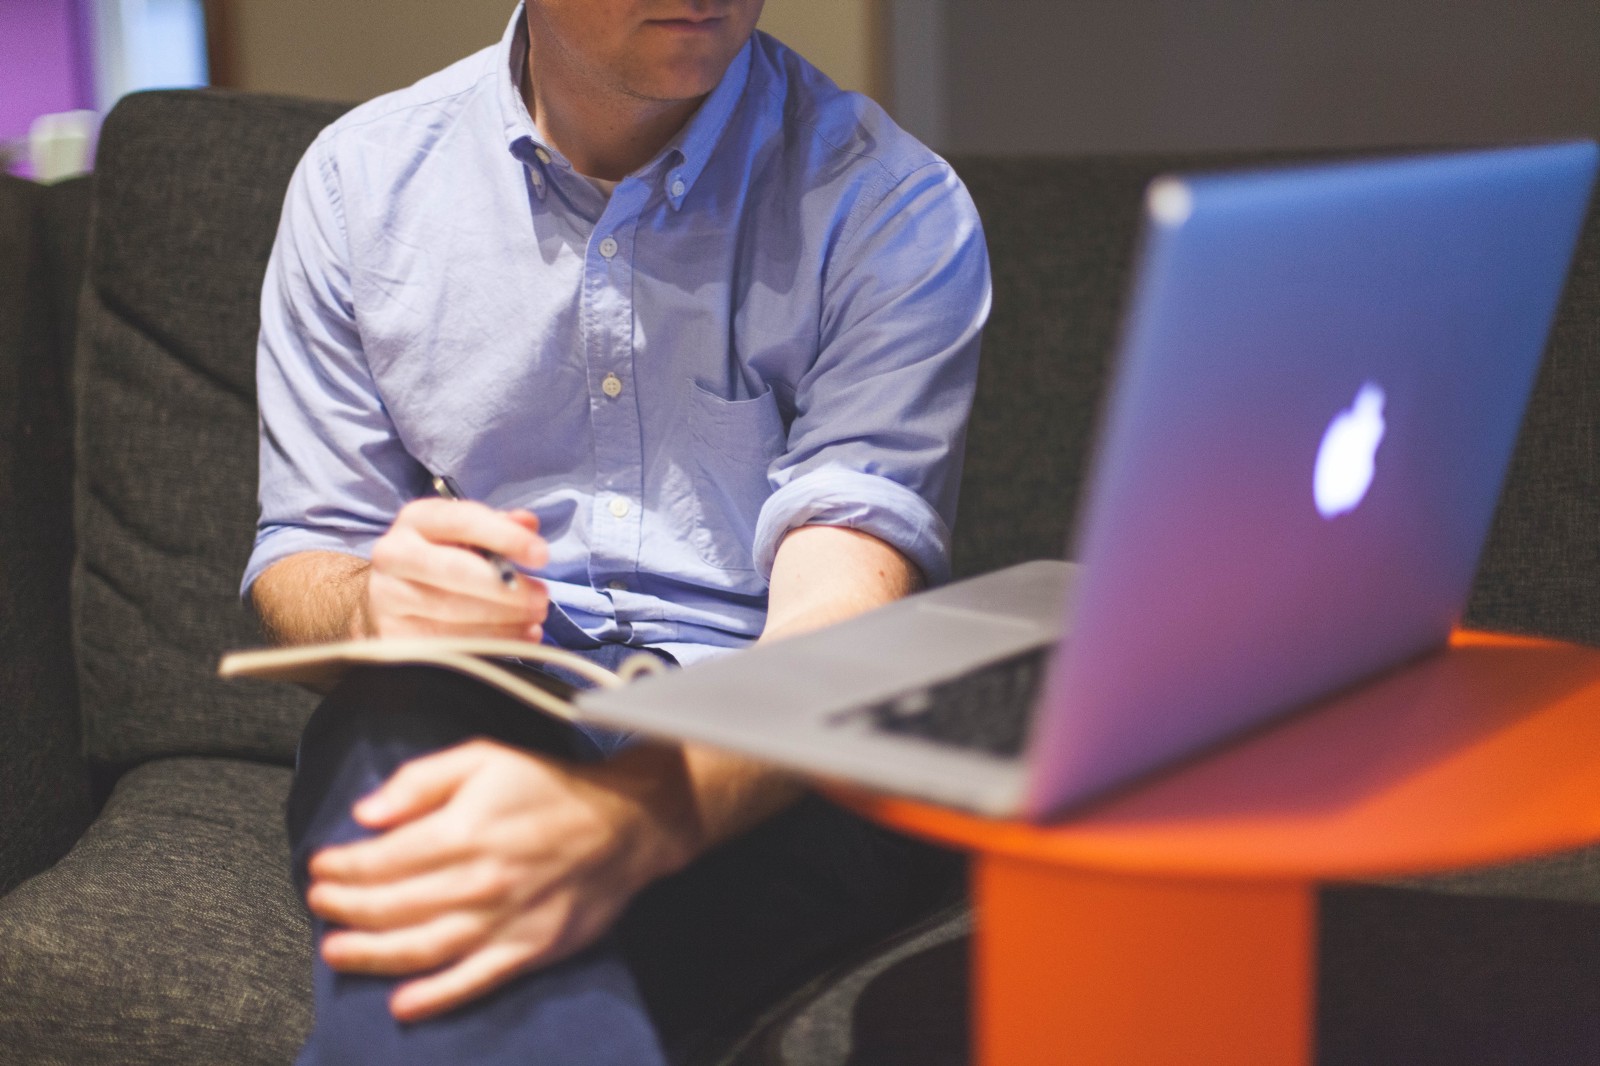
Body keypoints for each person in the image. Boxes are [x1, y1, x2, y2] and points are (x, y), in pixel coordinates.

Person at [243, 1, 990, 1062]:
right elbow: (306, 549)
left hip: (769, 729)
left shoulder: (890, 207)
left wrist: (628, 819)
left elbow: (835, 627)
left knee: (447, 962)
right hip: (483, 690)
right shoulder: (359, 186)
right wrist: (374, 602)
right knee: (390, 712)